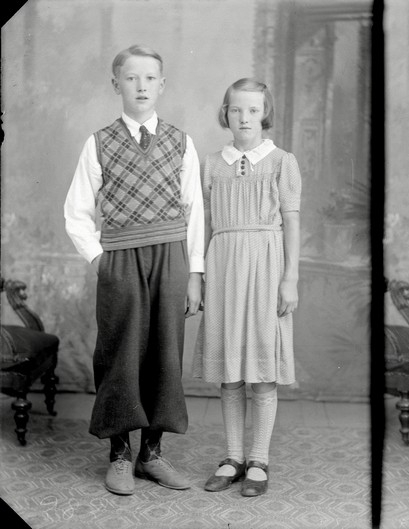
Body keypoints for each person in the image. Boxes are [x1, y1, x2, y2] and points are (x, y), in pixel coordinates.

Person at [64, 44, 204, 495]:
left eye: (149, 78)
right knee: (121, 354)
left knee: (165, 352)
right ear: (116, 85)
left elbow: (195, 211)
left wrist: (195, 273)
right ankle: (120, 455)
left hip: (171, 256)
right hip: (120, 258)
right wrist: (101, 260)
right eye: (131, 78)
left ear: (162, 85)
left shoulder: (181, 141)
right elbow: (77, 212)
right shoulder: (99, 142)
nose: (141, 86)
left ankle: (152, 455)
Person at [192, 79, 301, 498]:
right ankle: (233, 456)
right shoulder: (211, 164)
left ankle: (259, 458)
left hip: (267, 266)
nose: (244, 118)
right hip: (223, 266)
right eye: (236, 110)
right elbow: (203, 226)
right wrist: (198, 276)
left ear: (264, 114)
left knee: (262, 370)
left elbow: (291, 222)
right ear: (226, 114)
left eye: (253, 110)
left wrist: (290, 278)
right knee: (230, 372)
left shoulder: (281, 162)